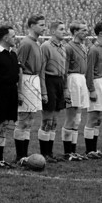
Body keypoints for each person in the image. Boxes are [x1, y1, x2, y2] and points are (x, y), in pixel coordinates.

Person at [15, 15, 46, 163]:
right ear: (32, 26)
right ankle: (20, 155)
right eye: (41, 25)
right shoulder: (25, 43)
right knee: (23, 120)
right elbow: (19, 67)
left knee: (30, 121)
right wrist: (20, 90)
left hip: (34, 81)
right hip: (26, 80)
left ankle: (23, 155)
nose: (43, 27)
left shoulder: (37, 43)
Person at [0, 25, 21, 168]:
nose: (15, 38)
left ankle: (0, 159)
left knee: (5, 125)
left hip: (11, 93)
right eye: (13, 36)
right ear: (5, 38)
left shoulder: (13, 54)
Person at [39, 21, 68, 162]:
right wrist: (43, 90)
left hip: (59, 82)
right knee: (47, 119)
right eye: (61, 29)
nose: (64, 31)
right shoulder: (45, 46)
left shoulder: (63, 47)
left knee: (55, 120)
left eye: (64, 29)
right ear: (53, 31)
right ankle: (43, 152)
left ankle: (49, 153)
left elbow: (65, 71)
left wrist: (65, 88)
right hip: (49, 81)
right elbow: (42, 69)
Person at [84, 22, 102, 159]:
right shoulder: (94, 49)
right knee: (93, 117)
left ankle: (94, 149)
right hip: (97, 83)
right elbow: (89, 71)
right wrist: (91, 89)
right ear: (101, 33)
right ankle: (89, 150)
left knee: (99, 118)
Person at [61, 22, 89, 161]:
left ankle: (73, 150)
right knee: (71, 117)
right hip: (72, 80)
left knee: (77, 119)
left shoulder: (83, 46)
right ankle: (67, 152)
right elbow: (65, 70)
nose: (86, 32)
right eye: (83, 30)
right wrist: (65, 88)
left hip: (81, 80)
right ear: (75, 31)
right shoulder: (68, 47)